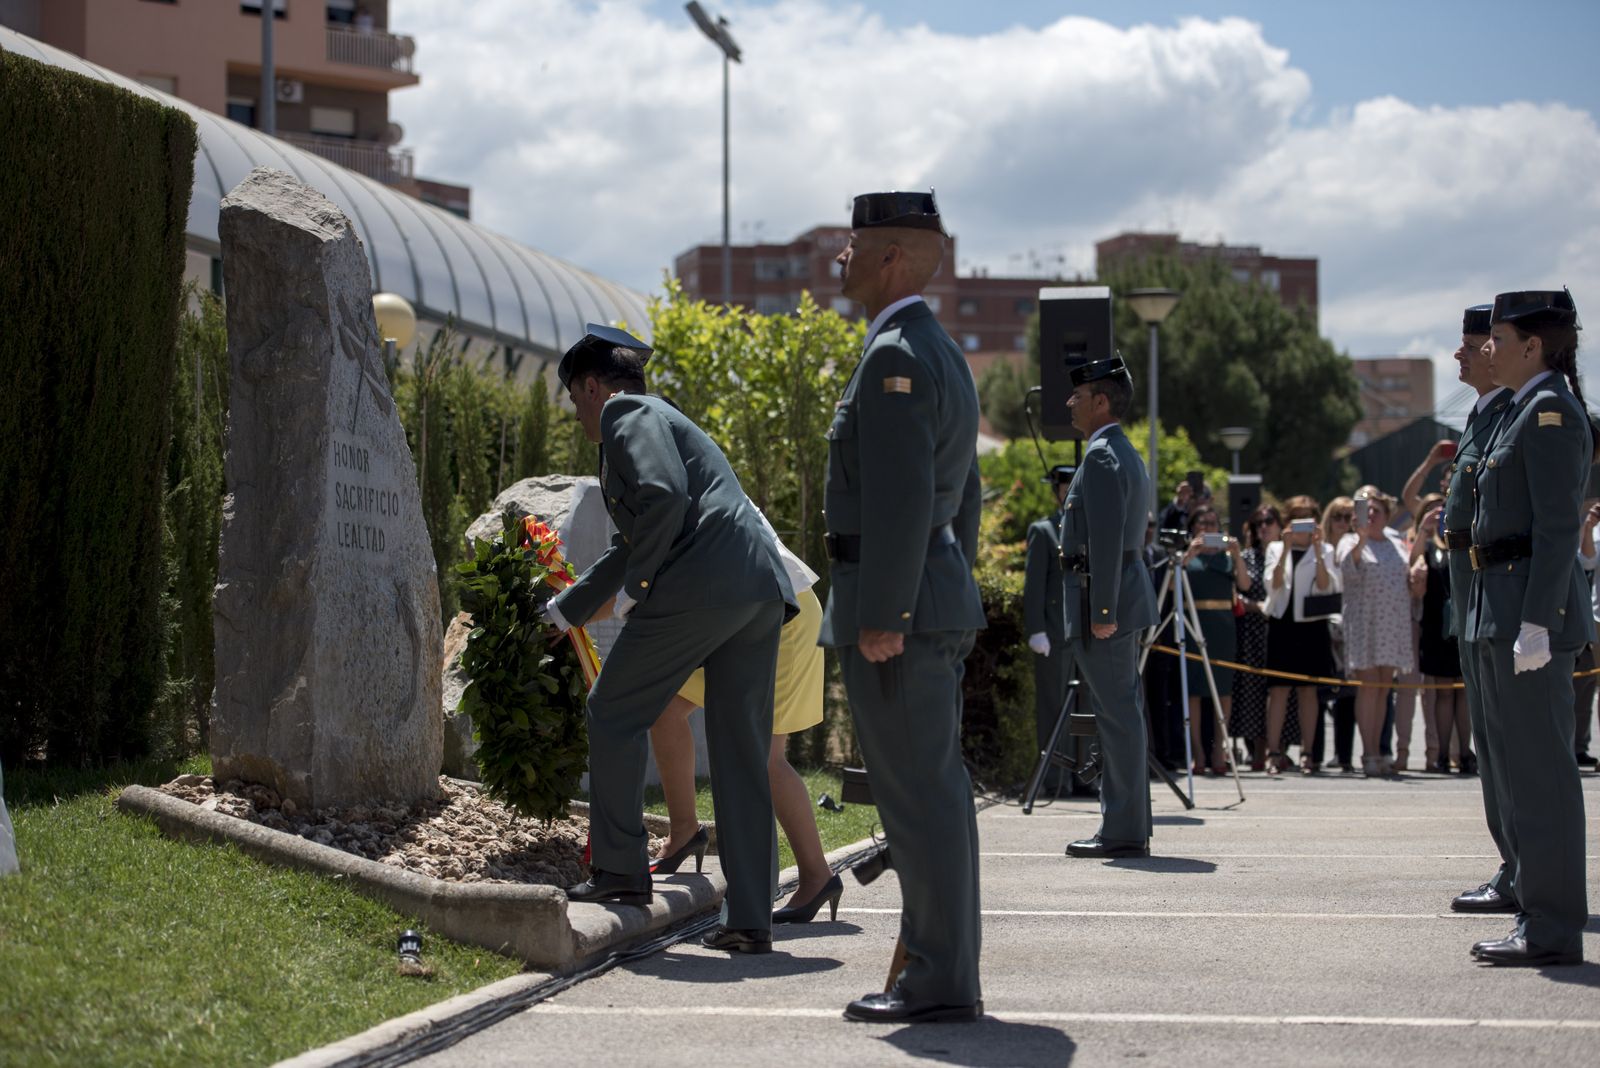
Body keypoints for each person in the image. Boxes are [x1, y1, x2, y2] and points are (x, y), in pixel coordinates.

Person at [541, 324, 796, 957]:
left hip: (699, 585)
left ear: (594, 387)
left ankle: (621, 875)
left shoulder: (629, 413)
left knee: (614, 710)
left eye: (575, 399)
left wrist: (642, 587)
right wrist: (564, 612)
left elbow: (661, 498)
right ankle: (748, 918)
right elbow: (637, 539)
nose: (578, 413)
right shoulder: (665, 419)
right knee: (741, 749)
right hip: (755, 589)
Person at [820, 191, 986, 1023]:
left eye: (850, 246)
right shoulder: (937, 350)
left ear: (890, 257)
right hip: (932, 596)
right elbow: (967, 501)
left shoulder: (896, 352)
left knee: (919, 800)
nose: (837, 261)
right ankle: (942, 971)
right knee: (935, 796)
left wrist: (886, 609)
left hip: (899, 614)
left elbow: (901, 496)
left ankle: (936, 981)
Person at [1464, 288, 1593, 967]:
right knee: (1520, 768)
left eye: (1499, 337)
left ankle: (1551, 924)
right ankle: (1537, 912)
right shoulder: (1521, 411)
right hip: (1502, 606)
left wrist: (1539, 622)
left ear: (1533, 346)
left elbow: (1556, 529)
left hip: (1529, 613)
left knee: (1543, 774)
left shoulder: (1549, 414)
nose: (1488, 348)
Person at [647, 513, 841, 925]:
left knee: (766, 758)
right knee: (666, 711)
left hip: (783, 613)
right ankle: (684, 830)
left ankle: (817, 875)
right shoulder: (681, 473)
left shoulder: (681, 477)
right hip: (742, 610)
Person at [1056, 356, 1157, 857]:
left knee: (1117, 717)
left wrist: (1101, 614)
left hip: (1106, 606)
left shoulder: (1101, 455)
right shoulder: (1119, 451)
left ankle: (1121, 830)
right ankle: (1129, 824)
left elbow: (1106, 540)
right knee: (1123, 714)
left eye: (1078, 395)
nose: (1069, 402)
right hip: (1116, 600)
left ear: (1101, 401)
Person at [1337, 486, 1414, 777]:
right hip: (1365, 622)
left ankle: (1379, 751)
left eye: (1376, 511)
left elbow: (1407, 573)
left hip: (1392, 623)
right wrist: (1361, 539)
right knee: (1368, 687)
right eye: (1366, 510)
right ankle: (1368, 750)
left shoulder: (1396, 540)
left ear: (1386, 514)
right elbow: (1347, 569)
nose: (1371, 515)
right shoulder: (1350, 541)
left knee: (1383, 688)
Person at [1262, 496, 1338, 774]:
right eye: (1297, 518)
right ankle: (1274, 752)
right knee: (1278, 690)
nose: (1303, 525)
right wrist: (1286, 548)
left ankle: (1308, 752)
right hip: (1283, 623)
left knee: (1308, 690)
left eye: (1308, 518)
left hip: (1311, 623)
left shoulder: (1326, 549)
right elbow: (1274, 583)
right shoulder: (1275, 548)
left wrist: (1317, 550)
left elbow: (1324, 584)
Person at [1178, 505, 1250, 774]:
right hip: (1194, 624)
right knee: (1195, 691)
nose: (1207, 528)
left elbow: (1244, 585)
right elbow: (1172, 587)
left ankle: (1219, 750)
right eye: (1202, 523)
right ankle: (1199, 752)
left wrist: (1237, 554)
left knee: (1222, 691)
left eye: (1212, 523)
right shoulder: (1188, 556)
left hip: (1222, 626)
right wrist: (1188, 555)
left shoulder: (1227, 558)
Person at [1407, 494, 1471, 773]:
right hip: (1436, 627)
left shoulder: (1464, 541)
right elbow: (1412, 564)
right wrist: (1425, 529)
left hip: (1465, 625)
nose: (1440, 516)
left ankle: (1465, 753)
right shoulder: (1428, 549)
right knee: (1444, 694)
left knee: (1465, 694)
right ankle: (1443, 753)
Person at [1025, 465, 1077, 795]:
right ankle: (1056, 778)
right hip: (1055, 634)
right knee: (1054, 707)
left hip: (1081, 633)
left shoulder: (1086, 526)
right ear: (1056, 490)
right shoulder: (1044, 531)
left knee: (1081, 710)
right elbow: (1034, 586)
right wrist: (1036, 629)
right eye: (1066, 486)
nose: (1070, 490)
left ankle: (1084, 776)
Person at [1232, 506, 1282, 770]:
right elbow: (1242, 590)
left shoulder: (1286, 553)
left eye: (1269, 521)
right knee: (1251, 691)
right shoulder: (1248, 556)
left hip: (1280, 628)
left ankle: (1278, 748)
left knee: (1281, 692)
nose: (1264, 526)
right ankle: (1256, 750)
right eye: (1258, 523)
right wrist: (1255, 606)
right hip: (1252, 631)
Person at [1319, 498, 1358, 772]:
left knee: (1348, 693)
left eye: (1348, 517)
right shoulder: (1319, 549)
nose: (1343, 523)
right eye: (1338, 517)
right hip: (1321, 622)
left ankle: (1344, 756)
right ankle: (1316, 754)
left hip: (1349, 625)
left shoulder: (1357, 547)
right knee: (1319, 691)